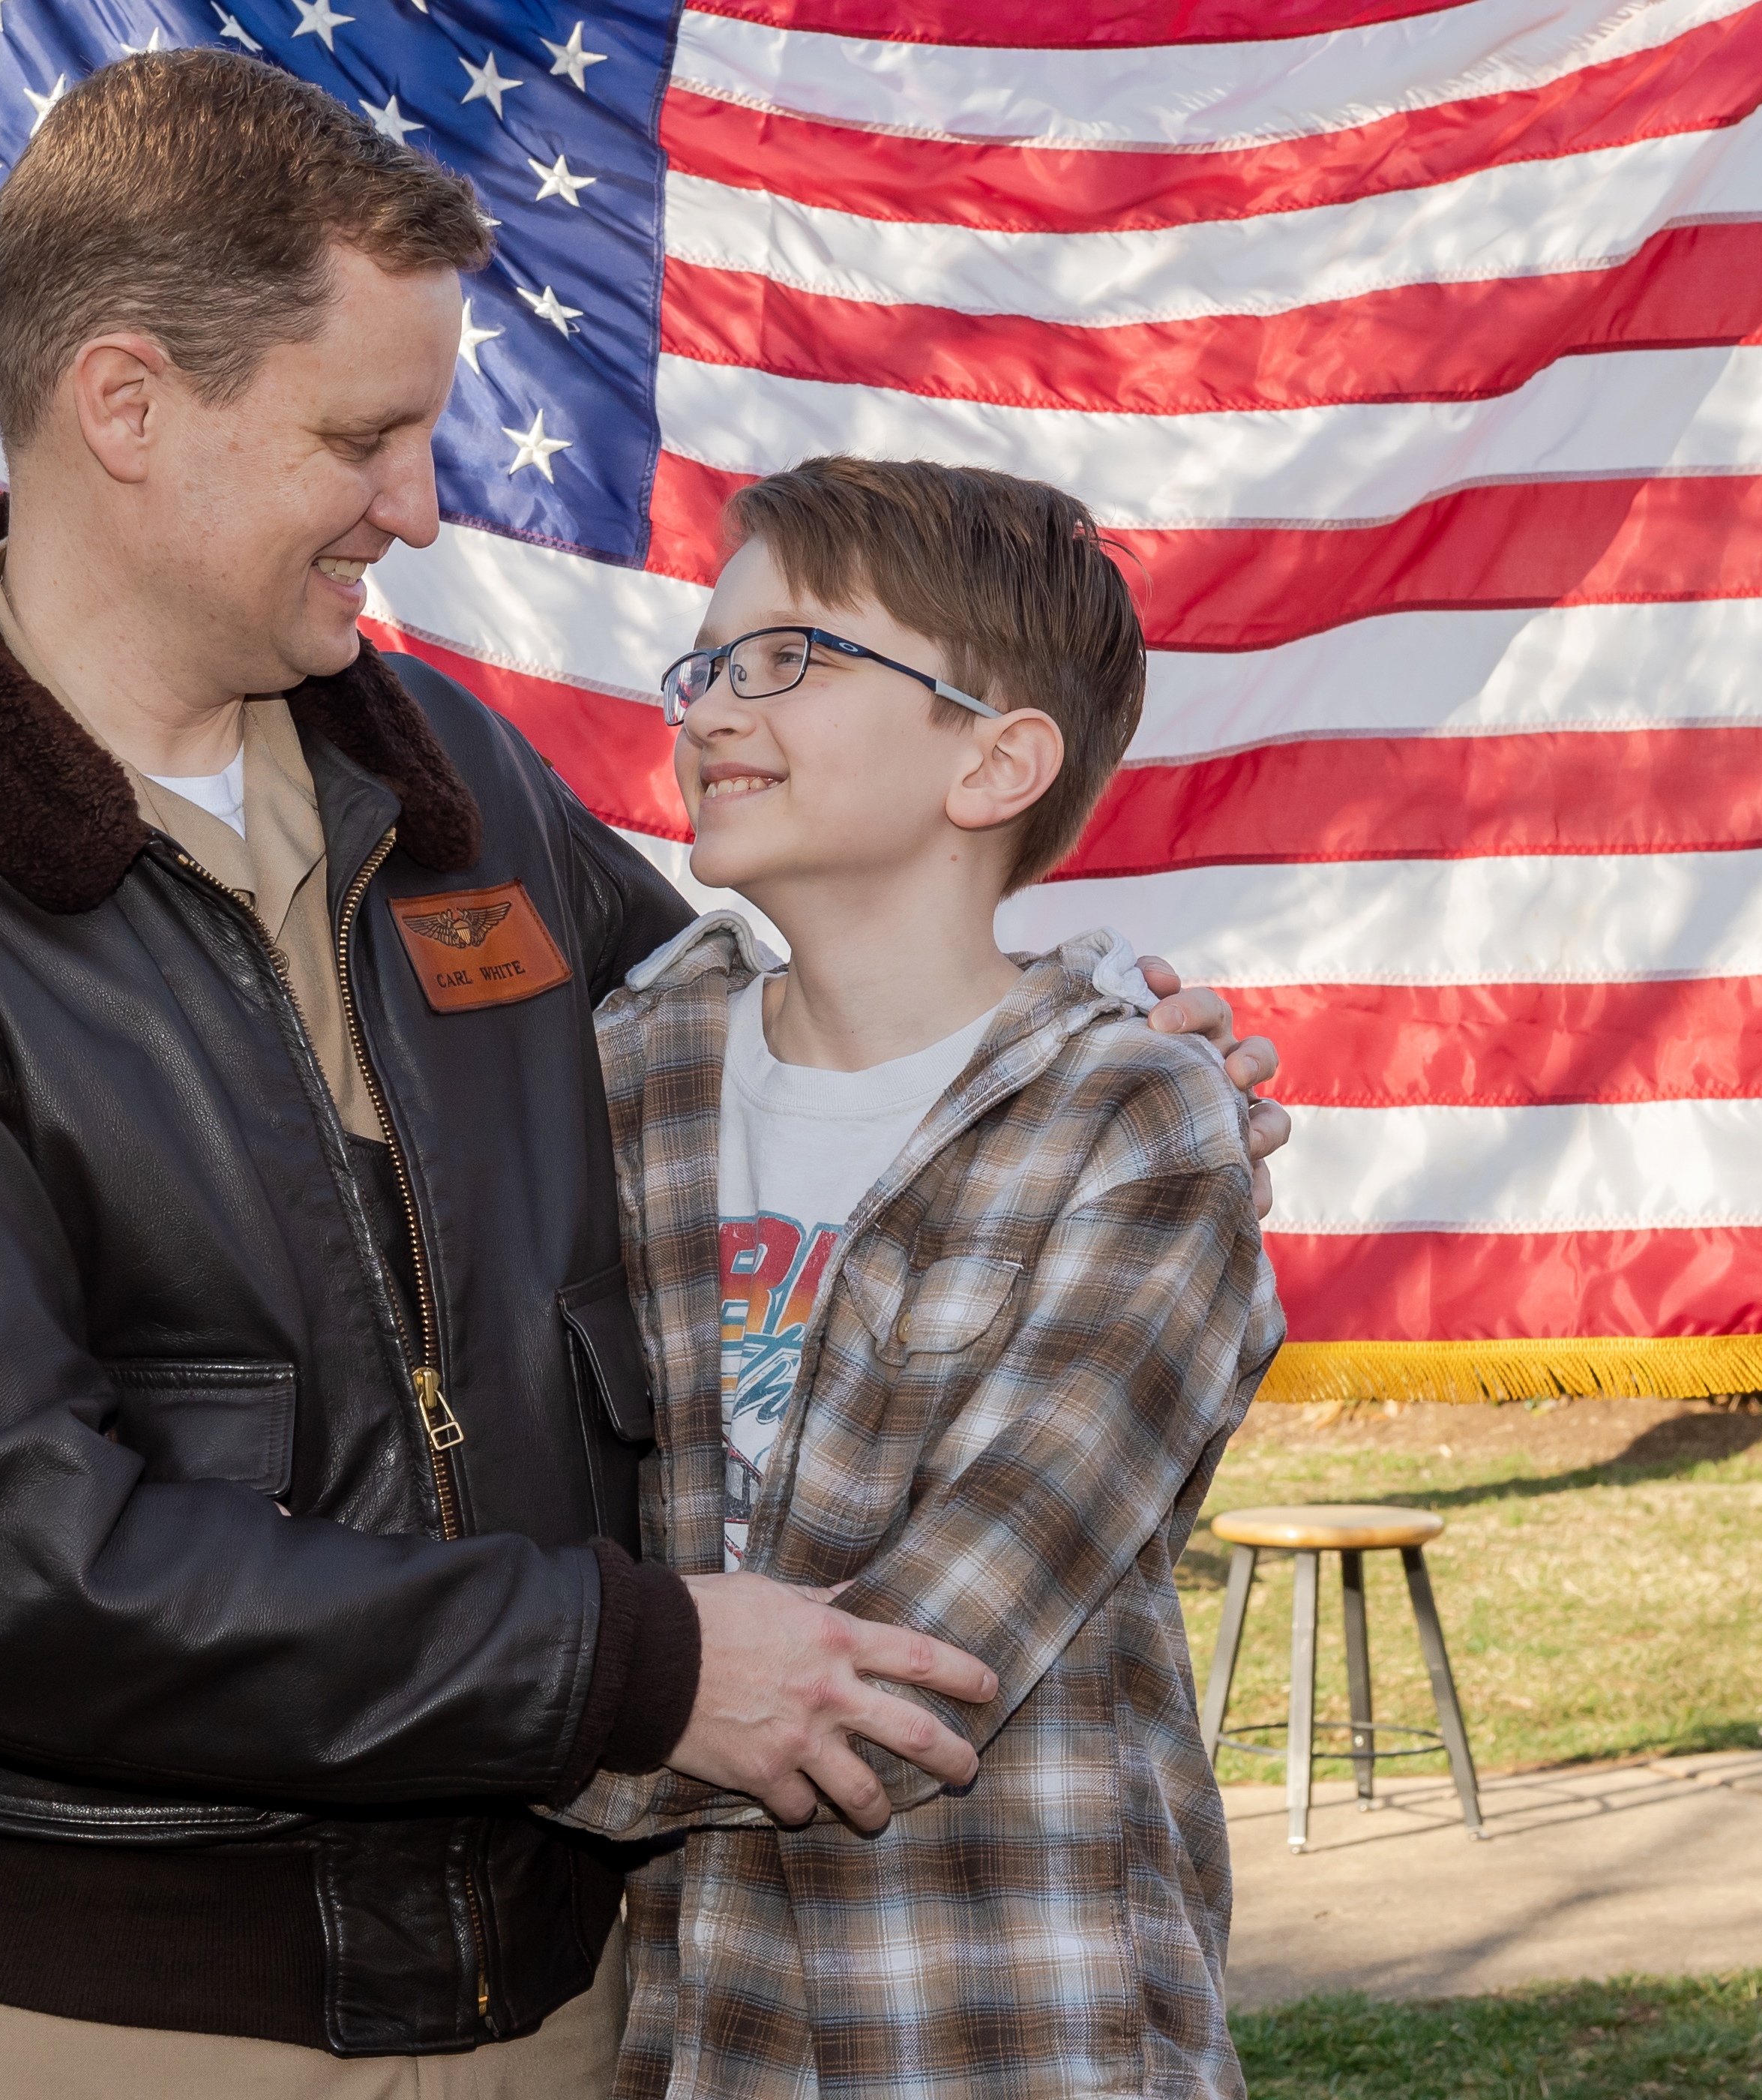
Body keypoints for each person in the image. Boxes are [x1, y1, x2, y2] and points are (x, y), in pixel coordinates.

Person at [0, 51, 1284, 2100]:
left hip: (572, 2000)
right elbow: (5, 1564)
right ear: (130, 406)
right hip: (98, 2021)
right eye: (365, 435)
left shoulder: (454, 795)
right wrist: (632, 1671)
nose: (419, 508)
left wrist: (1089, 1047)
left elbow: (800, 1027)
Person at [551, 458, 1285, 2100]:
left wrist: (487, 1715)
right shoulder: (624, 1077)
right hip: (690, 2029)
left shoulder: (1137, 1117)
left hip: (1013, 2017)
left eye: (792, 655)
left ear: (996, 758)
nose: (715, 704)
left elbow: (928, 1657)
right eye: (708, 661)